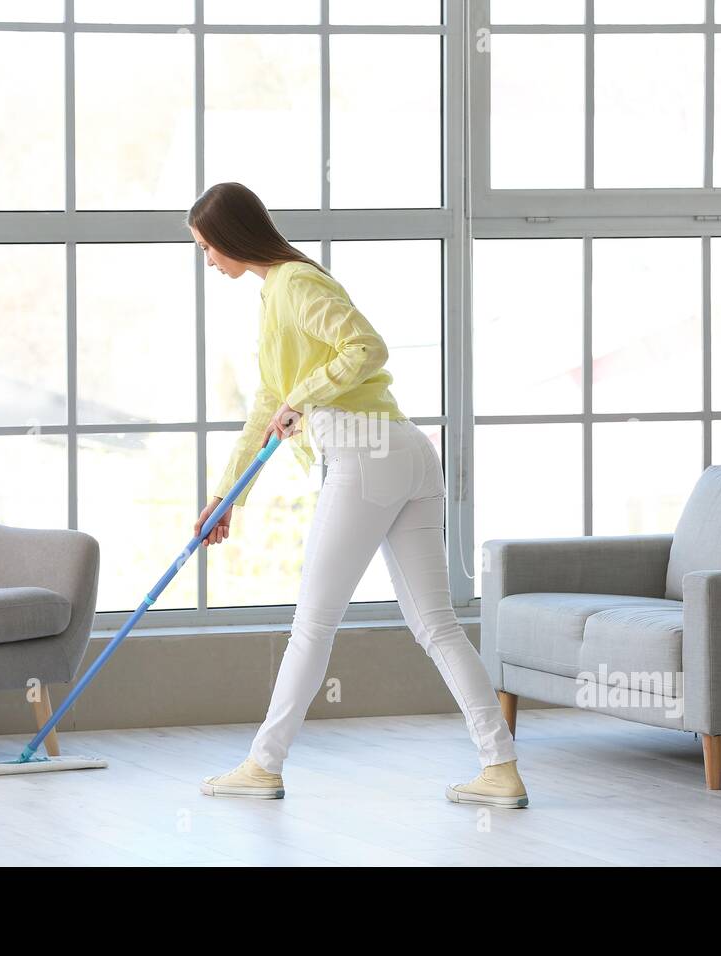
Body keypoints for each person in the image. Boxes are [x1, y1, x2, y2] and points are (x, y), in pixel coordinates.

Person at [188, 182, 526, 809]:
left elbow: (367, 348)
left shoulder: (294, 284)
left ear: (233, 238)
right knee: (436, 624)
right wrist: (228, 494)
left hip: (368, 454)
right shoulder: (276, 295)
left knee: (313, 624)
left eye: (208, 247)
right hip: (403, 454)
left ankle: (264, 766)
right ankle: (500, 768)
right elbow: (268, 405)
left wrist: (304, 396)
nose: (207, 259)